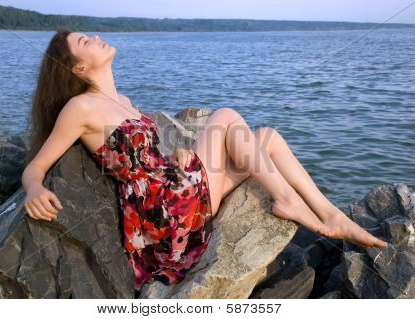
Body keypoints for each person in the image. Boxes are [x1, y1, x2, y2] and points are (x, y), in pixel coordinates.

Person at [22, 29, 388, 291]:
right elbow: (36, 167)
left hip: (177, 190)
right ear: (78, 69)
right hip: (164, 217)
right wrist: (34, 188)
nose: (96, 37)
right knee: (226, 116)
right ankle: (288, 200)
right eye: (85, 42)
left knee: (269, 139)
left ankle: (331, 215)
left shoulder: (126, 102)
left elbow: (143, 157)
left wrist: (176, 153)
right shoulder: (80, 107)